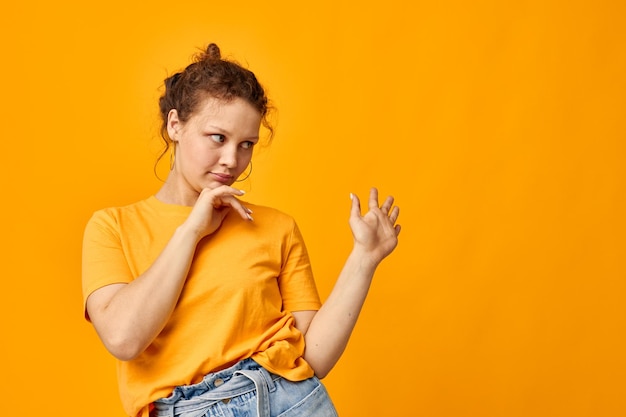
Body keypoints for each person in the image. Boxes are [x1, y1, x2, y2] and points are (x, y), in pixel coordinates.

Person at [82, 43, 401, 417]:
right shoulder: (112, 227)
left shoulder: (275, 227)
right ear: (175, 125)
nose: (232, 160)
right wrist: (192, 230)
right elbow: (124, 338)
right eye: (218, 138)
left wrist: (364, 259)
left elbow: (311, 359)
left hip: (291, 402)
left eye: (246, 144)